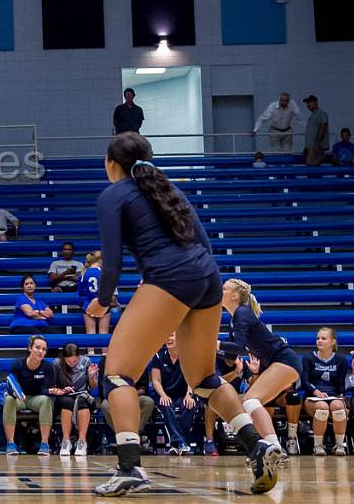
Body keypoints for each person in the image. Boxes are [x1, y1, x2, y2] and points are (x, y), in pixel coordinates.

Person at [87, 132, 280, 496]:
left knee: (116, 376)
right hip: (207, 277)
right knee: (205, 379)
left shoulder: (113, 194)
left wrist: (102, 300)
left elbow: (110, 263)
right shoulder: (168, 189)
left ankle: (129, 467)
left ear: (111, 164)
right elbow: (204, 245)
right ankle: (257, 445)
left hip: (169, 278)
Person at [221, 279, 302, 457]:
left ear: (235, 296)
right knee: (248, 402)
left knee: (250, 400)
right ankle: (270, 447)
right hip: (277, 362)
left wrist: (216, 344)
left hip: (284, 359)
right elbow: (230, 357)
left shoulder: (242, 313)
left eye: (224, 288)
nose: (220, 290)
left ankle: (274, 447)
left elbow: (239, 347)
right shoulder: (235, 318)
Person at [301, 326, 350, 456]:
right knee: (322, 408)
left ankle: (339, 445)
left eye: (323, 338)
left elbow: (341, 384)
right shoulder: (308, 358)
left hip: (333, 397)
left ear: (332, 342)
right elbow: (305, 381)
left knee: (338, 407)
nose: (319, 341)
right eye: (318, 338)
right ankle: (318, 445)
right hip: (313, 398)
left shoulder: (341, 360)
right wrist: (316, 392)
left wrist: (343, 401)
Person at [3, 334, 55, 456]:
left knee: (46, 400)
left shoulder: (48, 367)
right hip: (20, 399)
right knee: (9, 399)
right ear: (30, 348)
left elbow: (45, 389)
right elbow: (11, 384)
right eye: (37, 348)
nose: (40, 351)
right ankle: (10, 443)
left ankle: (44, 444)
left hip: (36, 399)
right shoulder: (18, 364)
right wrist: (15, 393)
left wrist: (51, 391)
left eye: (44, 349)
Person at [149, 333, 197, 455]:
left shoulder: (188, 355)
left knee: (189, 405)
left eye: (171, 335)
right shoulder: (158, 356)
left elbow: (192, 378)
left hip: (183, 393)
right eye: (166, 336)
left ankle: (177, 443)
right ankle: (180, 442)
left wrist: (189, 394)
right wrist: (163, 395)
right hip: (164, 393)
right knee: (165, 404)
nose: (168, 339)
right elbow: (155, 380)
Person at [49, 343, 98, 456]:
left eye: (74, 361)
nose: (72, 364)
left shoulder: (86, 361)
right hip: (64, 396)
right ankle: (66, 441)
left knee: (81, 401)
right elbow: (52, 386)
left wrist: (91, 376)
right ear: (63, 358)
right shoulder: (56, 364)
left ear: (79, 357)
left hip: (83, 395)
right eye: (68, 361)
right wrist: (62, 390)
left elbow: (93, 386)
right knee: (67, 401)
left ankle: (82, 441)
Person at [78, 251, 110, 351]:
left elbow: (80, 292)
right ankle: (104, 355)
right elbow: (109, 289)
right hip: (102, 304)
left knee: (90, 332)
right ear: (100, 261)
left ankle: (91, 354)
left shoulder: (83, 273)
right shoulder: (103, 272)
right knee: (103, 332)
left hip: (88, 305)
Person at [302, 95, 329, 166]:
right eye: (307, 103)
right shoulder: (312, 115)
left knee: (311, 166)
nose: (308, 104)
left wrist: (317, 144)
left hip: (315, 148)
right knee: (312, 167)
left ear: (316, 103)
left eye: (310, 102)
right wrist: (307, 146)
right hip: (310, 147)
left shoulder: (322, 114)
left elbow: (322, 129)